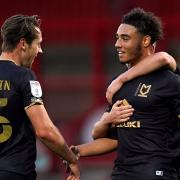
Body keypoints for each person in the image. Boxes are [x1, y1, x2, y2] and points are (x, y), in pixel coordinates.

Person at [70, 8, 180, 180]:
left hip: (156, 172)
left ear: (145, 41)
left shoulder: (169, 81)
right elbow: (116, 139)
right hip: (121, 173)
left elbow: (165, 58)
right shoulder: (117, 85)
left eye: (125, 38)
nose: (117, 44)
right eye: (117, 38)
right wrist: (79, 151)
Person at [0, 14, 80, 180]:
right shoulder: (24, 77)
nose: (40, 50)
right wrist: (70, 158)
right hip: (14, 172)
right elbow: (44, 131)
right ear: (23, 44)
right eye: (38, 44)